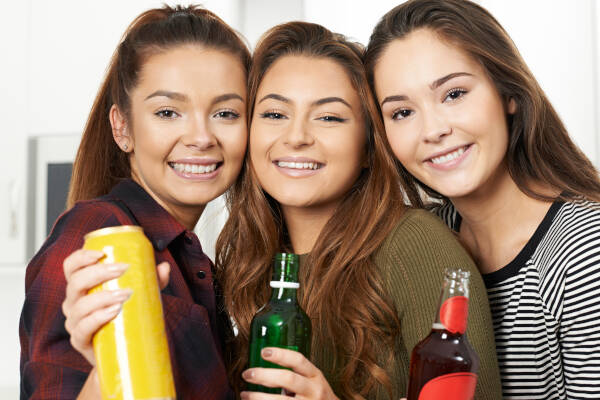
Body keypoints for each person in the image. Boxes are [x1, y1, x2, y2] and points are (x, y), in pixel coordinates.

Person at [215, 21, 502, 400]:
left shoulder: (413, 243)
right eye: (274, 114)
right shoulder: (251, 261)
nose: (297, 136)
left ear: (368, 146)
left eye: (329, 117)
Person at [364, 0, 600, 398]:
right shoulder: (422, 240)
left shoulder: (584, 251)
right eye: (402, 112)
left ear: (508, 93)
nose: (434, 129)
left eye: (454, 93)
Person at [19, 5, 250, 399]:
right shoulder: (97, 233)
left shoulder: (196, 264)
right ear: (122, 127)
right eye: (167, 112)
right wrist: (105, 367)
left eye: (225, 113)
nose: (201, 137)